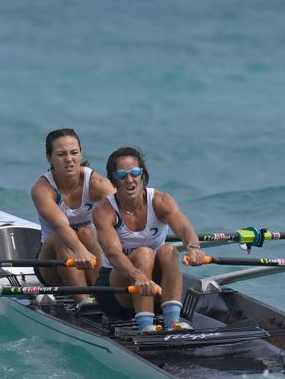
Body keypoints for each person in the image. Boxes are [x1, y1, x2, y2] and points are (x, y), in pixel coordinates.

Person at [93, 146, 207, 332]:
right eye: (122, 175)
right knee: (144, 254)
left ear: (142, 174)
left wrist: (193, 247)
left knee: (169, 250)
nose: (129, 179)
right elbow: (113, 253)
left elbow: (184, 228)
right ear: (114, 179)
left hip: (153, 290)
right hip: (116, 292)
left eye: (135, 172)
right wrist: (138, 276)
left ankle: (172, 323)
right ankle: (146, 326)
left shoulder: (161, 201)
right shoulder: (104, 211)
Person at [31, 128, 115, 306]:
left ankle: (101, 294)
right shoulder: (42, 189)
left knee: (87, 232)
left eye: (74, 153)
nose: (69, 159)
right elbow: (61, 226)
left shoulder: (97, 183)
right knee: (62, 238)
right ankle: (84, 302)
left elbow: (124, 213)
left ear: (81, 153)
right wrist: (80, 251)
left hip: (90, 255)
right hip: (52, 264)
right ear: (49, 158)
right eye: (61, 154)